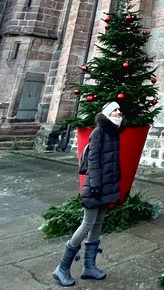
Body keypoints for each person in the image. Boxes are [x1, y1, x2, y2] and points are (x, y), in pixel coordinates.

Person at [53, 101, 123, 286]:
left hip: (107, 186)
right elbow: (93, 160)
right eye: (114, 110)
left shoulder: (115, 132)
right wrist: (95, 185)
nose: (118, 112)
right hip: (95, 187)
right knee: (87, 224)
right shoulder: (99, 132)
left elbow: (112, 161)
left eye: (118, 110)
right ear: (107, 113)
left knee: (98, 224)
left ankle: (89, 267)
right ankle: (62, 268)